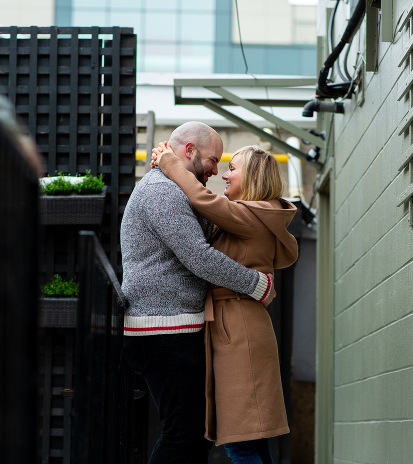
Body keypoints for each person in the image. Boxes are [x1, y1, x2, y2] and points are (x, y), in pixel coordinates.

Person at [120, 121, 274, 464]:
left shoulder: (175, 189)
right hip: (163, 332)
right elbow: (199, 257)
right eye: (213, 160)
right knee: (184, 434)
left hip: (175, 330)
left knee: (193, 436)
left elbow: (212, 227)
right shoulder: (161, 192)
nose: (216, 171)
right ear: (189, 151)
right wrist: (256, 284)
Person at [153, 142, 298, 464]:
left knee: (240, 441)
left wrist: (169, 161)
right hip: (239, 324)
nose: (224, 175)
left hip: (239, 330)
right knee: (251, 439)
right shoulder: (252, 216)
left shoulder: (251, 215)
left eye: (233, 168)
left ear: (254, 177)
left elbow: (201, 198)